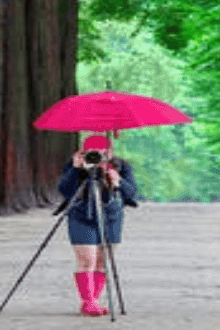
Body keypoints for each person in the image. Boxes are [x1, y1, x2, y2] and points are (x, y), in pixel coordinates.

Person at [59, 134, 138, 317]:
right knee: (87, 260)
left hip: (111, 217)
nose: (95, 157)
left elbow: (131, 194)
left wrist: (117, 180)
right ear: (83, 152)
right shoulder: (76, 166)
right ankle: (88, 302)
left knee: (102, 262)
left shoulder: (121, 166)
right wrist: (76, 169)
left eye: (99, 153)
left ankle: (93, 301)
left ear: (108, 153)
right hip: (82, 215)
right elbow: (64, 190)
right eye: (91, 153)